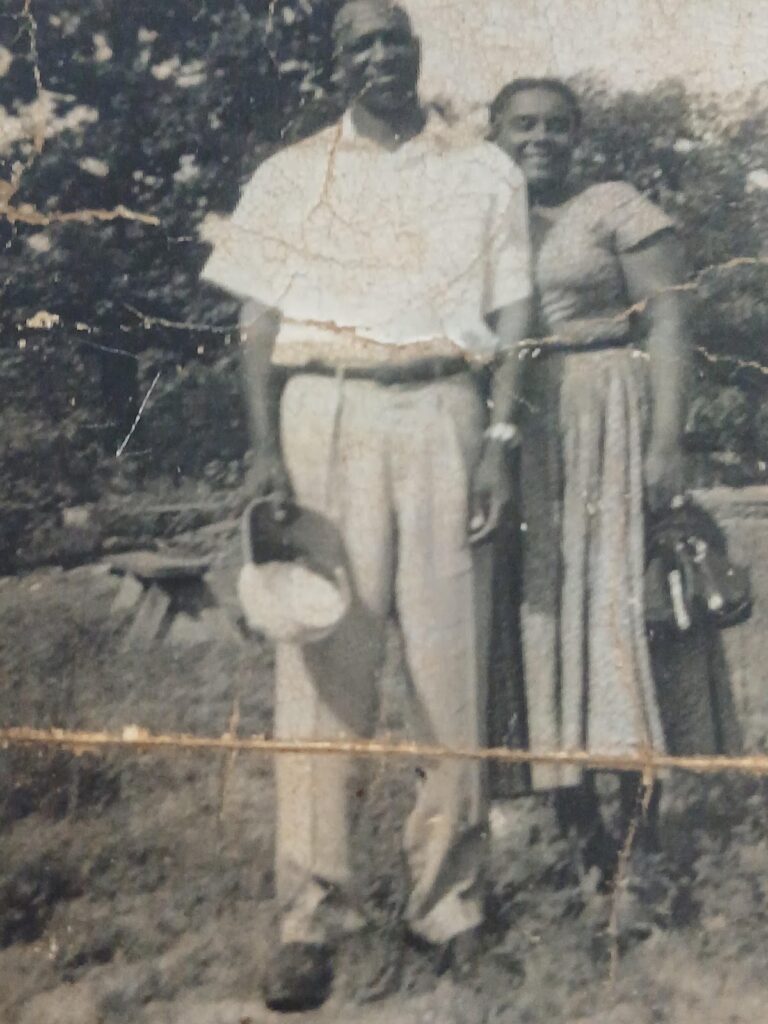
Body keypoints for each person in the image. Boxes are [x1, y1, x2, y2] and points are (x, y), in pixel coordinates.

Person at [202, 2, 531, 1010]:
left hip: (443, 409)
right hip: (322, 413)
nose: (380, 55)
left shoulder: (486, 170)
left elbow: (514, 308)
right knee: (323, 674)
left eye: (395, 38)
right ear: (335, 61)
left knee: (448, 670)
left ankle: (450, 902)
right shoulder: (291, 172)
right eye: (360, 43)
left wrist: (500, 437)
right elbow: (257, 323)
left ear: (417, 53)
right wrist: (264, 453)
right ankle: (311, 916)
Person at [488, 78, 691, 890]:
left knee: (615, 609)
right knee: (538, 616)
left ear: (578, 135)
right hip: (518, 427)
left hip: (609, 410)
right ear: (494, 131)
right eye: (523, 124)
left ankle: (640, 842)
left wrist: (669, 442)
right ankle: (581, 836)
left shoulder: (614, 204)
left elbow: (673, 321)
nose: (541, 138)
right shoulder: (481, 219)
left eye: (557, 126)